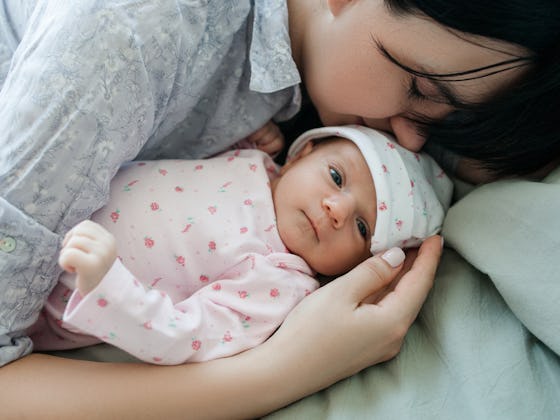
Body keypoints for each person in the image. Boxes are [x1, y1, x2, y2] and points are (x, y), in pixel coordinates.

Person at [0, 0, 558, 417]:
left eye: (450, 131)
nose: (413, 144)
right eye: (422, 91)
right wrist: (284, 370)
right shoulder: (130, 37)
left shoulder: (335, 88)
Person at [28, 125, 452, 364]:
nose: (337, 209)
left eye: (362, 228)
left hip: (52, 290)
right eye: (337, 177)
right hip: (48, 201)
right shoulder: (254, 163)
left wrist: (109, 286)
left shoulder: (281, 282)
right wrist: (244, 140)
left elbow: (187, 336)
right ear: (302, 154)